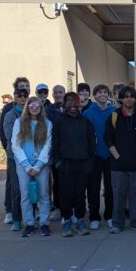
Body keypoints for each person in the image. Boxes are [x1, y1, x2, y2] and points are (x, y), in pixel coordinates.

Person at [104, 86, 136, 234]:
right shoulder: (114, 116)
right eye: (126, 96)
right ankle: (117, 224)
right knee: (118, 195)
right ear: (121, 98)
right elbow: (108, 138)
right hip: (118, 166)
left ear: (135, 98)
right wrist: (117, 156)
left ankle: (135, 222)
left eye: (132, 96)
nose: (129, 99)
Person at [52, 92, 96, 237]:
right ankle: (66, 222)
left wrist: (89, 162)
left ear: (79, 104)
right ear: (64, 104)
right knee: (66, 194)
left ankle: (79, 220)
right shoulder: (59, 121)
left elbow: (91, 144)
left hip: (83, 164)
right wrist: (58, 161)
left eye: (75, 102)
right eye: (69, 102)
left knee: (80, 194)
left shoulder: (85, 122)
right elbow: (55, 143)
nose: (72, 105)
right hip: (65, 164)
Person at [12, 96, 53, 237]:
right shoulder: (19, 123)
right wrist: (27, 166)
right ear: (27, 107)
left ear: (41, 108)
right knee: (25, 195)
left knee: (43, 194)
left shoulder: (47, 124)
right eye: (31, 106)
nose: (34, 108)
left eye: (37, 106)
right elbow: (15, 145)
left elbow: (48, 145)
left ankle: (44, 223)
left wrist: (38, 166)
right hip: (24, 165)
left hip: (41, 165)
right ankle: (29, 223)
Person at [83, 84, 115, 231]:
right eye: (99, 92)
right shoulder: (88, 113)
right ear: (94, 96)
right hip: (94, 155)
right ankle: (94, 217)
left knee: (110, 187)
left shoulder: (114, 111)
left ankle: (109, 215)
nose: (102, 95)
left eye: (105, 92)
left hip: (110, 154)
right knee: (93, 188)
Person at [0, 77, 29, 224]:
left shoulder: (34, 110)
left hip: (31, 155)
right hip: (14, 155)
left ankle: (29, 215)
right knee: (15, 186)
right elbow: (9, 136)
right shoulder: (9, 113)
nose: (22, 97)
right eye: (19, 94)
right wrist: (9, 149)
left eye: (25, 94)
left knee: (30, 186)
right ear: (14, 96)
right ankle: (13, 214)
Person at [46, 84, 67, 221]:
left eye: (61, 92)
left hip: (71, 151)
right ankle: (59, 207)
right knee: (57, 181)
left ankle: (71, 207)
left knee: (71, 181)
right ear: (52, 95)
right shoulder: (48, 110)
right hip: (56, 151)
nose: (58, 94)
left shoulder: (71, 108)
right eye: (56, 92)